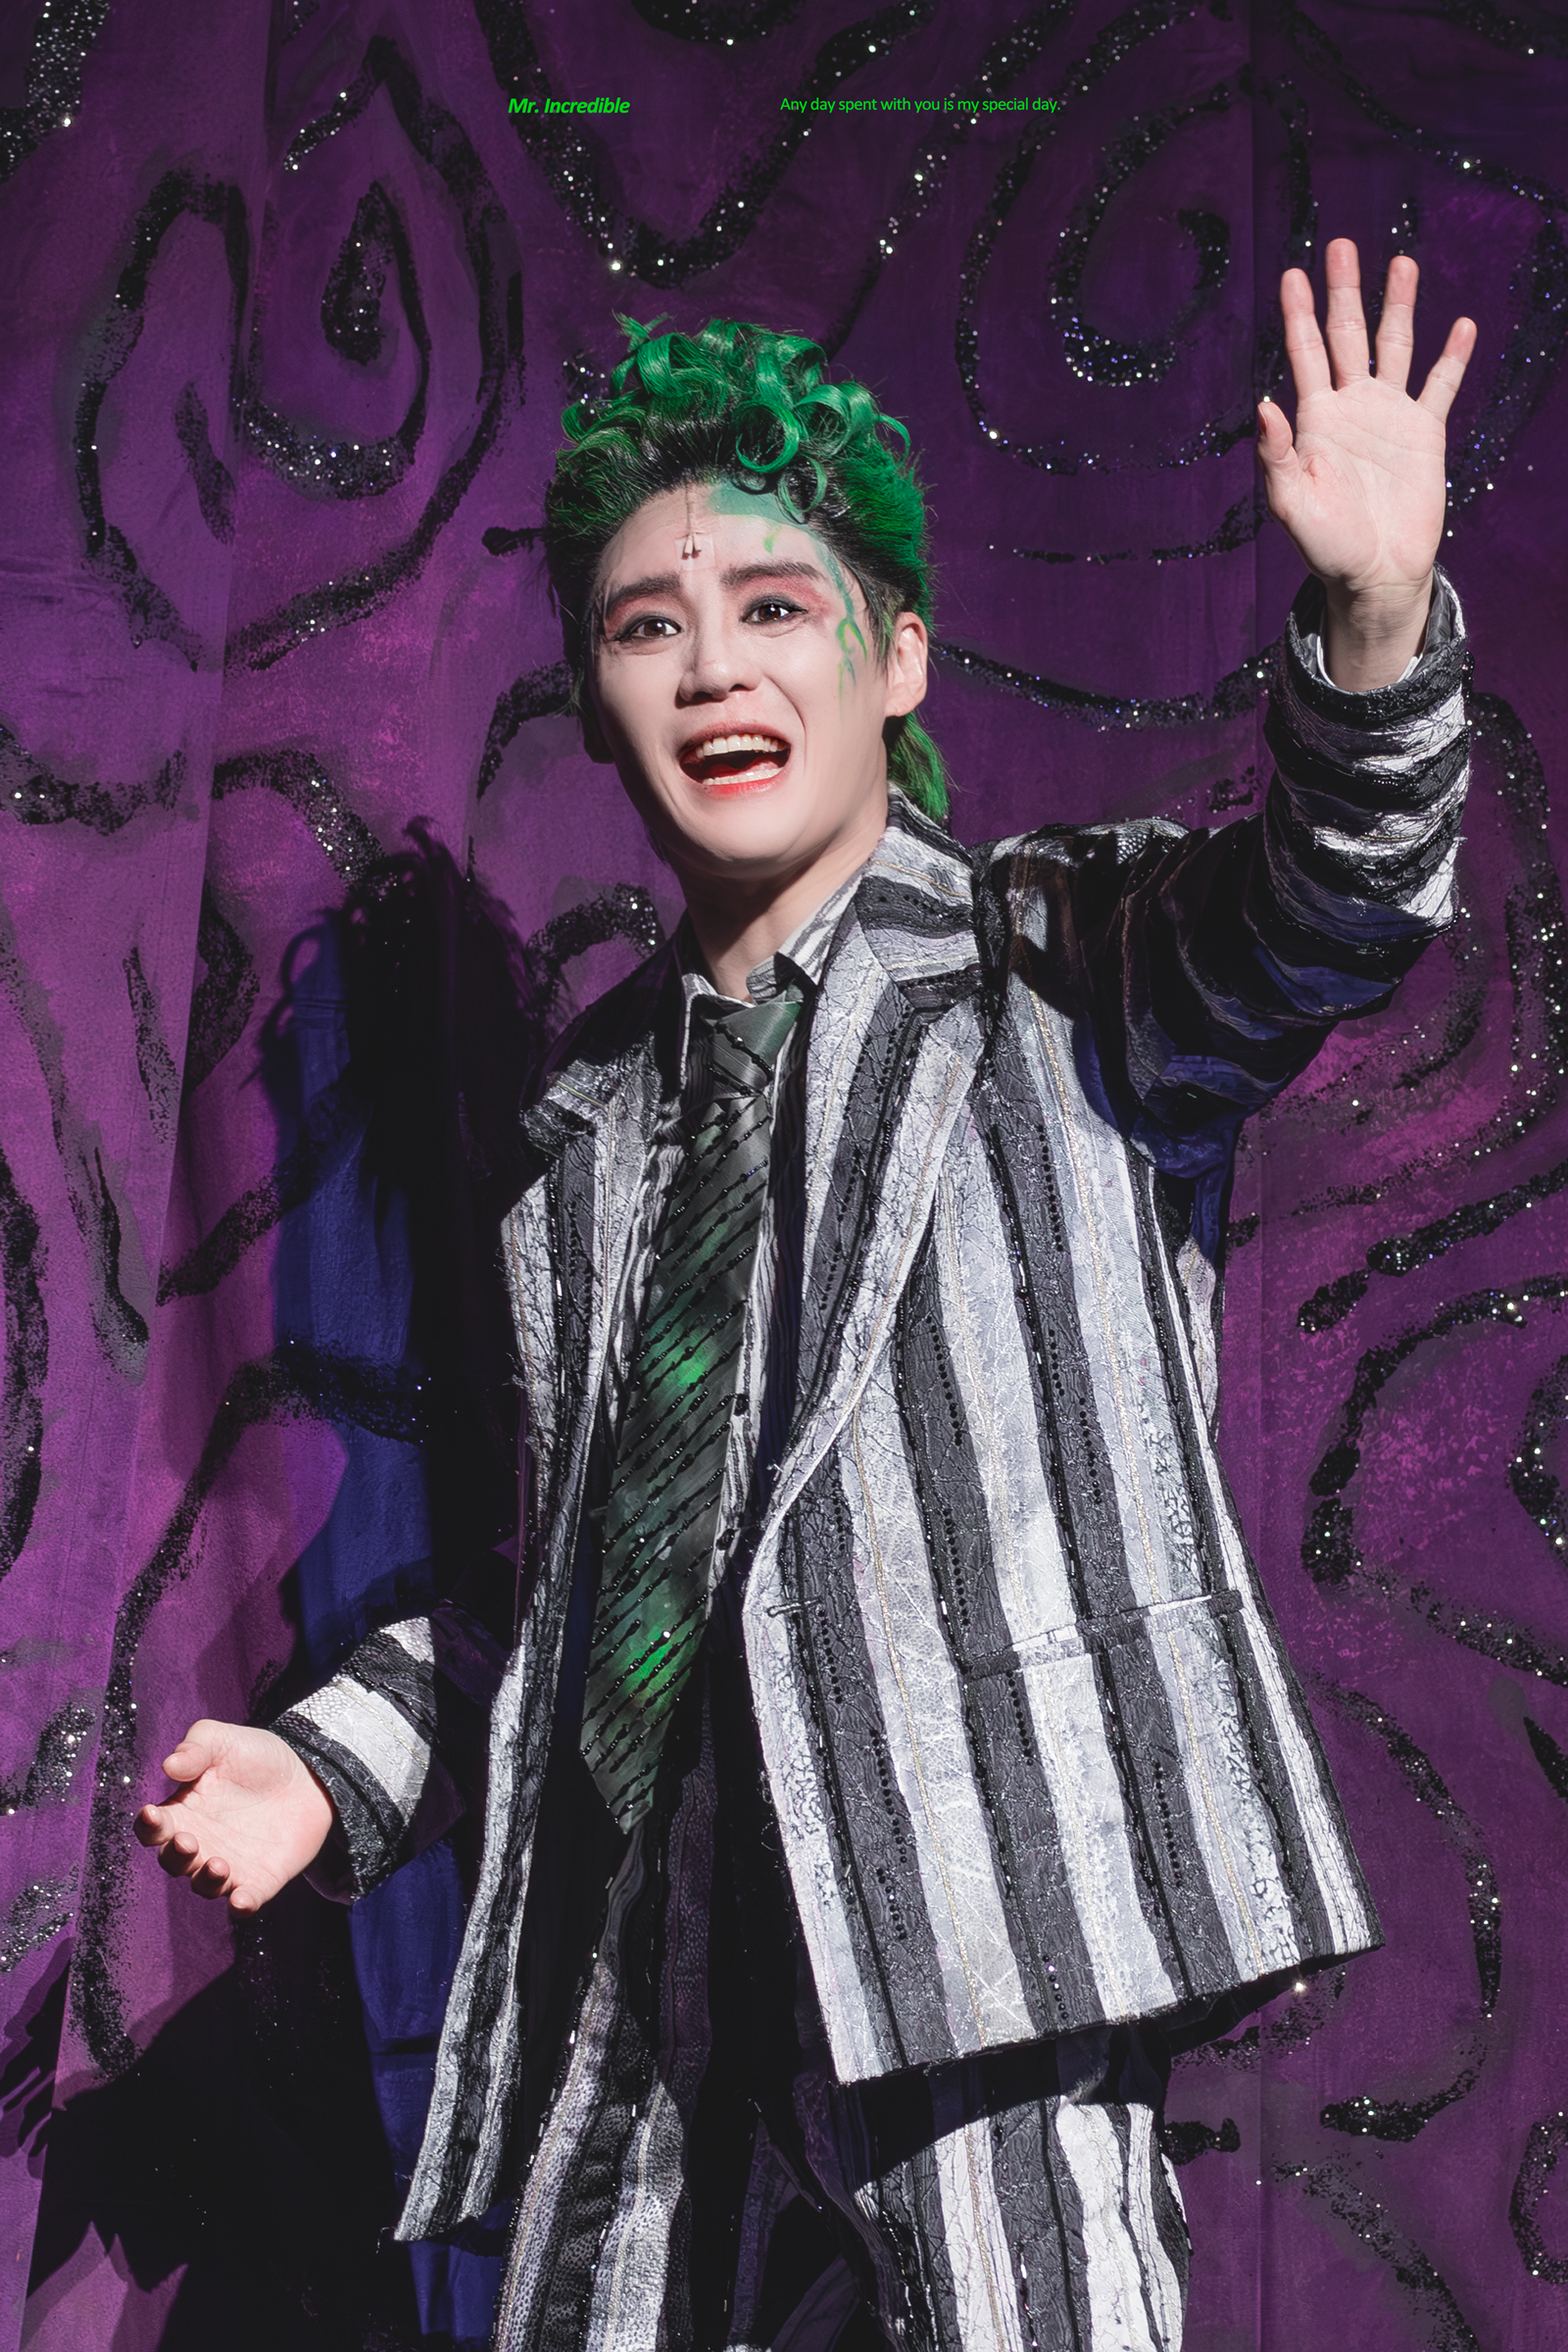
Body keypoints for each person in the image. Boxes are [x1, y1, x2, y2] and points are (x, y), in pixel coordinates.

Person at [137, 241, 1475, 2352]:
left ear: (897, 657)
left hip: (979, 1965)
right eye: (645, 628)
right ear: (597, 704)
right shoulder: (587, 1123)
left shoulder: (1057, 961)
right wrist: (335, 1765)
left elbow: (1326, 907)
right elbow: (579, 1594)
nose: (710, 671)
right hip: (644, 1995)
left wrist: (1375, 624)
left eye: (773, 608)